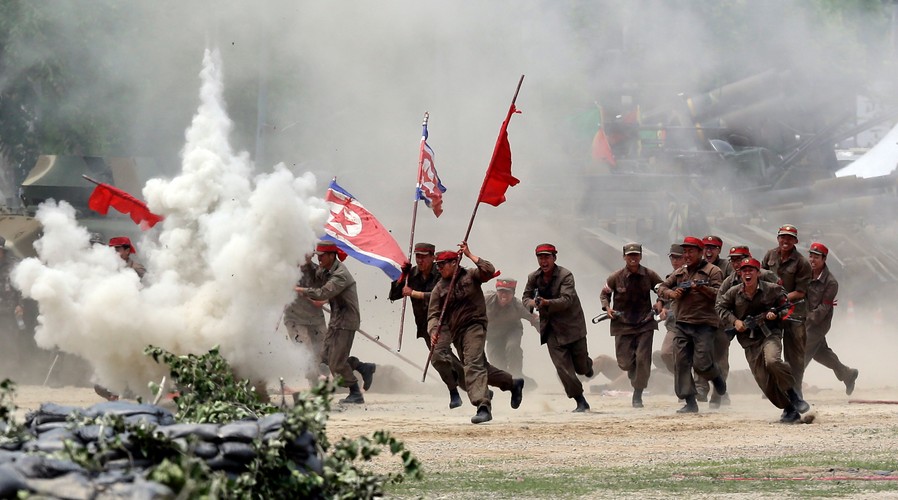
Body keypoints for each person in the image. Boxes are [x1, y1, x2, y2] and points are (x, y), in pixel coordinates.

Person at [427, 244, 524, 424]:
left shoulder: (471, 276)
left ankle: (483, 405)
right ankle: (512, 383)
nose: (439, 269)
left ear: (455, 263)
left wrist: (470, 254)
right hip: (456, 332)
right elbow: (433, 315)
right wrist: (434, 331)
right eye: (437, 266)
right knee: (479, 366)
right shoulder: (439, 289)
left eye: (443, 265)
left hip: (475, 326)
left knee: (472, 365)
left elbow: (489, 270)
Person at [716, 257, 811, 423]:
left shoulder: (772, 289)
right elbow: (720, 307)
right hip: (749, 342)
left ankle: (793, 395)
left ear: (757, 273)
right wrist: (735, 321)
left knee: (773, 361)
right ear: (740, 274)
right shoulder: (734, 292)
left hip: (769, 335)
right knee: (764, 382)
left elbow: (787, 307)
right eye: (744, 271)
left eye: (751, 270)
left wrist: (776, 315)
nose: (747, 273)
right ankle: (789, 408)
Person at [296, 241, 375, 404]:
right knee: (324, 357)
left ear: (332, 256)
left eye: (322, 256)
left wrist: (299, 290)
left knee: (336, 363)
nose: (319, 260)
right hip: (336, 319)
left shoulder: (340, 274)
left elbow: (322, 292)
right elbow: (314, 276)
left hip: (346, 321)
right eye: (317, 256)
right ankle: (361, 367)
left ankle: (355, 392)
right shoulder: (325, 269)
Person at [390, 242, 467, 409]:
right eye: (418, 256)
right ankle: (456, 391)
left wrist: (415, 294)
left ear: (432, 257)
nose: (420, 260)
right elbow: (394, 294)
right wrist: (402, 277)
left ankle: (473, 388)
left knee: (450, 357)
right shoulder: (412, 274)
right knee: (441, 358)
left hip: (448, 321)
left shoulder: (440, 272)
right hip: (426, 326)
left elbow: (441, 295)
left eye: (424, 257)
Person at [657, 236, 726, 414]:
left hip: (704, 323)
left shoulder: (713, 271)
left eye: (691, 251)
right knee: (680, 362)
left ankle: (715, 376)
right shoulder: (680, 272)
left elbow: (720, 294)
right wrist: (672, 294)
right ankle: (689, 401)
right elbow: (662, 287)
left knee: (701, 362)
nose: (687, 255)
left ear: (701, 253)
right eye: (685, 251)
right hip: (682, 323)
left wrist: (701, 288)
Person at [522, 243, 593, 412]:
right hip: (551, 328)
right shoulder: (533, 277)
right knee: (563, 368)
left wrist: (546, 303)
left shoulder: (565, 275)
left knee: (581, 367)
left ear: (554, 258)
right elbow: (525, 298)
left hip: (572, 326)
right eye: (540, 257)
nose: (544, 261)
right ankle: (580, 400)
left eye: (547, 257)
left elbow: (567, 300)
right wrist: (532, 303)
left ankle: (588, 366)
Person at [599, 242, 663, 408]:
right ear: (624, 257)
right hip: (622, 323)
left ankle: (638, 393)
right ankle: (634, 376)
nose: (633, 258)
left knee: (643, 359)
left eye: (636, 255)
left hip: (645, 322)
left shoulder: (650, 275)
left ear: (641, 256)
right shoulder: (616, 277)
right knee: (625, 363)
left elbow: (663, 290)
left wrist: (660, 303)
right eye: (630, 255)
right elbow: (604, 294)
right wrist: (607, 308)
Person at [761, 224, 811, 400]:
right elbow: (761, 278)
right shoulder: (769, 255)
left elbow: (800, 292)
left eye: (790, 237)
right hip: (772, 313)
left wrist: (780, 300)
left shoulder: (802, 263)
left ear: (795, 241)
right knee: (770, 355)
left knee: (795, 357)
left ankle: (796, 392)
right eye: (783, 236)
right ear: (777, 238)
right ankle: (779, 390)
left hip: (794, 314)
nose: (785, 240)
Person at [804, 242, 858, 395]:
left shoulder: (831, 282)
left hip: (818, 323)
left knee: (802, 352)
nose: (812, 260)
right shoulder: (806, 274)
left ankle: (790, 388)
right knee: (821, 353)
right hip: (804, 320)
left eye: (816, 257)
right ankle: (848, 374)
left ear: (824, 259)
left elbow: (824, 308)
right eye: (811, 256)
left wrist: (808, 318)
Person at [484, 278, 539, 386]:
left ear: (513, 293)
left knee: (512, 347)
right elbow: (468, 309)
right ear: (497, 291)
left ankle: (517, 375)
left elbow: (535, 319)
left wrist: (549, 334)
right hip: (493, 336)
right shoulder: (485, 300)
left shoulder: (518, 305)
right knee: (497, 366)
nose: (504, 295)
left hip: (512, 331)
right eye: (501, 291)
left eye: (508, 292)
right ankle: (517, 382)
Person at [285, 253, 328, 387]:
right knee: (305, 351)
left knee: (323, 350)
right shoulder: (287, 270)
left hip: (316, 318)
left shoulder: (318, 271)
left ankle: (325, 380)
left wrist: (324, 300)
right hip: (295, 318)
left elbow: (330, 289)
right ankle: (314, 384)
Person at [657, 243, 685, 375]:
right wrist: (660, 303)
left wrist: (669, 312)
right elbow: (666, 295)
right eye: (672, 258)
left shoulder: (693, 276)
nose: (675, 261)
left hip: (693, 323)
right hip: (674, 325)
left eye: (678, 258)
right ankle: (682, 377)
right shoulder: (670, 278)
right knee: (666, 353)